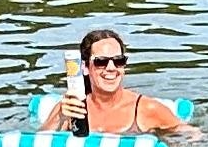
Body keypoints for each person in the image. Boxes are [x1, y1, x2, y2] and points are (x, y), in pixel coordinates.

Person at [45, 28, 190, 139]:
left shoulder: (146, 109)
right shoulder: (71, 108)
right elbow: (37, 145)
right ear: (85, 67)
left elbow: (192, 136)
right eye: (101, 61)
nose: (111, 68)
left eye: (118, 61)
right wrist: (59, 117)